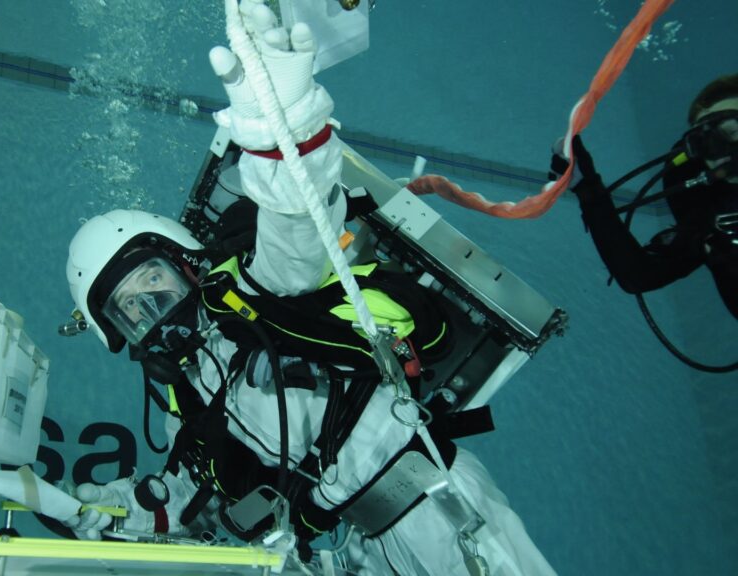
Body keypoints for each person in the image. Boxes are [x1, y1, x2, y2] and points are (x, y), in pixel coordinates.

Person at [63, 2, 556, 574]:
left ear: (188, 265)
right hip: (361, 546)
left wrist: (283, 140)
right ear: (119, 335)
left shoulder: (249, 296)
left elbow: (294, 241)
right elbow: (186, 499)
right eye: (131, 309)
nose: (155, 309)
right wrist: (107, 513)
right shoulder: (188, 402)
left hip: (437, 510)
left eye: (155, 280)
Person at [551, 73, 738, 320]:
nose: (721, 152)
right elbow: (639, 275)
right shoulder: (712, 218)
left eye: (732, 130)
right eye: (705, 142)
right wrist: (588, 189)